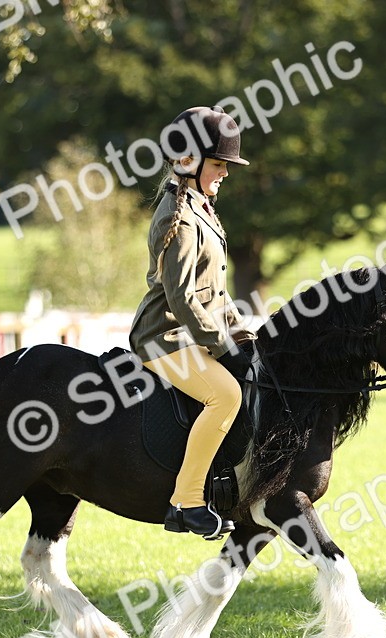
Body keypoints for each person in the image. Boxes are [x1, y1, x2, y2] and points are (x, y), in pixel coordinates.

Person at [128, 105, 256, 539]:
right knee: (225, 395)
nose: (225, 173)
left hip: (190, 332)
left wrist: (244, 336)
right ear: (189, 160)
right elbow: (182, 297)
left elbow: (214, 292)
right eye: (219, 164)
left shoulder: (201, 208)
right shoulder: (179, 216)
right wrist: (222, 346)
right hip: (163, 336)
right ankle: (186, 501)